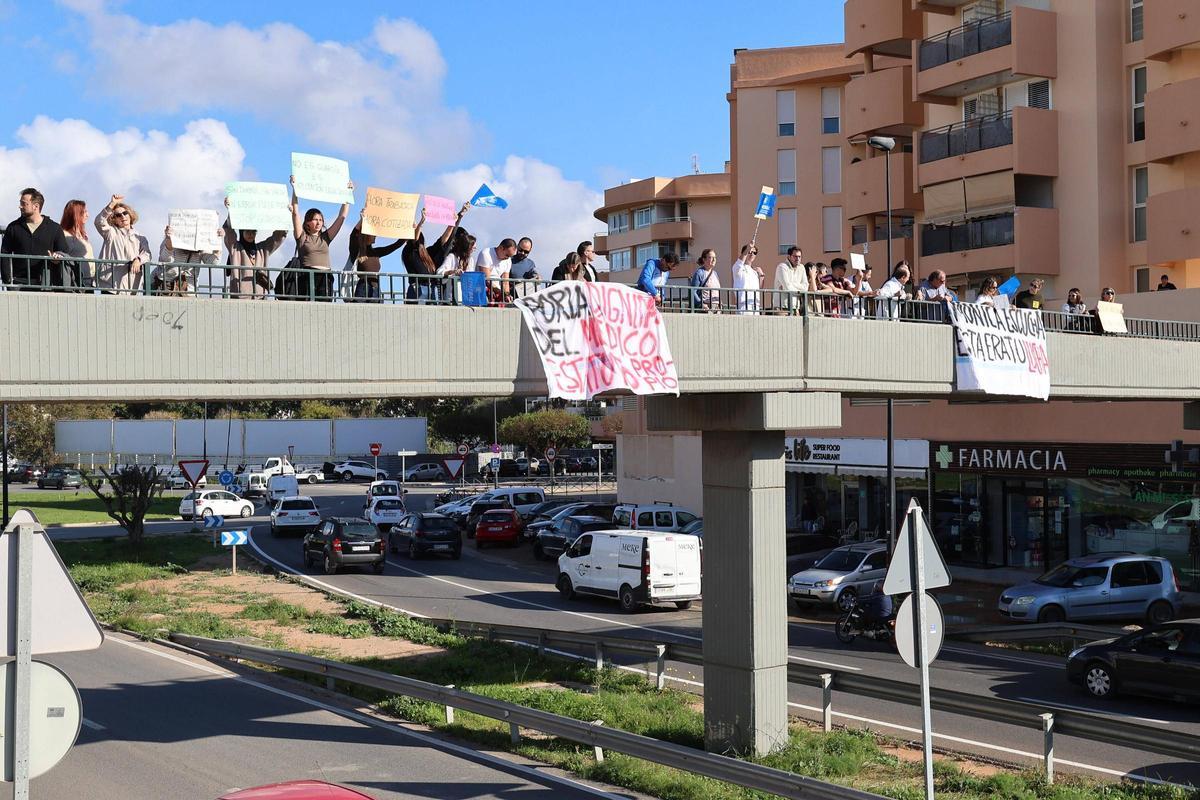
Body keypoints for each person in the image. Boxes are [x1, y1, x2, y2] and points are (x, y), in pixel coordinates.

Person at [290, 174, 352, 301]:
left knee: (325, 310)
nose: (318, 223)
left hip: (326, 278)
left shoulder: (326, 237)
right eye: (315, 220)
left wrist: (348, 193)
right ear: (307, 222)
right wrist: (294, 188)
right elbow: (295, 213)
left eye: (321, 220)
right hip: (308, 278)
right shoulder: (302, 237)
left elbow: (341, 217)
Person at [1, 188, 69, 290]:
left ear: (36, 206)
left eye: (24, 204)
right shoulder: (13, 227)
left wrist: (58, 258)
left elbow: (64, 252)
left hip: (46, 285)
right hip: (18, 284)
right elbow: (4, 254)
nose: (20, 206)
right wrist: (8, 282)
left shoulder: (54, 228)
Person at [223, 197, 289, 299]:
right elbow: (229, 232)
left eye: (253, 232)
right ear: (242, 232)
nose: (251, 234)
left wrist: (286, 214)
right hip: (240, 298)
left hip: (260, 298)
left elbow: (277, 237)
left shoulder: (262, 249)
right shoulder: (236, 248)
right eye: (248, 231)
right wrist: (230, 210)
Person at [346, 209, 415, 302]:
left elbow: (395, 245)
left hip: (376, 289)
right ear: (366, 234)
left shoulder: (376, 252)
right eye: (373, 233)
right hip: (363, 288)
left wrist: (410, 230)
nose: (376, 236)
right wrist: (362, 220)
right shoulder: (357, 251)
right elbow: (353, 235)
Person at [94, 194, 151, 294]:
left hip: (131, 286)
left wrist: (138, 260)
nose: (123, 216)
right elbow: (99, 221)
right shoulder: (110, 232)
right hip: (110, 286)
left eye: (125, 213)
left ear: (130, 214)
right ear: (113, 219)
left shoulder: (140, 237)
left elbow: (147, 254)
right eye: (118, 215)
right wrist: (112, 204)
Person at [157, 220, 221, 296]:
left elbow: (213, 263)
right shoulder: (171, 240)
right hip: (167, 288)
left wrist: (218, 242)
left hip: (190, 291)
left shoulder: (201, 245)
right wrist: (168, 241)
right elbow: (164, 259)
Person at [59, 199, 93, 289]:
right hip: (75, 283)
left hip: (88, 281)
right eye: (84, 212)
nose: (87, 215)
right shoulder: (64, 235)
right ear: (76, 214)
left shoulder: (83, 236)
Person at [437, 232, 476, 302]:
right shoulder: (452, 257)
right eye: (472, 248)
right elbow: (439, 272)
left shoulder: (470, 260)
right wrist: (453, 272)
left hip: (467, 298)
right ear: (466, 247)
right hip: (452, 298)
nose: (474, 249)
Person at [476, 237, 517, 303]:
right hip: (482, 290)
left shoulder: (508, 260)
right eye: (507, 255)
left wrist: (507, 295)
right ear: (501, 248)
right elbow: (487, 280)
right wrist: (502, 293)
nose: (507, 258)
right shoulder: (486, 254)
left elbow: (505, 282)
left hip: (498, 293)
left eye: (510, 256)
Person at [773, 245, 810, 313]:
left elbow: (806, 287)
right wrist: (800, 289)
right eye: (795, 256)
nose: (798, 259)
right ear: (789, 256)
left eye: (799, 256)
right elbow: (787, 288)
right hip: (782, 307)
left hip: (796, 307)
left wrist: (792, 284)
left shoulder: (801, 267)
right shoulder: (782, 267)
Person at [731, 243, 764, 314]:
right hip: (743, 306)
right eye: (750, 252)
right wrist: (747, 249)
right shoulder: (738, 268)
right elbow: (740, 262)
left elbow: (759, 289)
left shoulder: (754, 272)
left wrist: (761, 276)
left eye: (754, 253)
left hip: (755, 306)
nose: (752, 254)